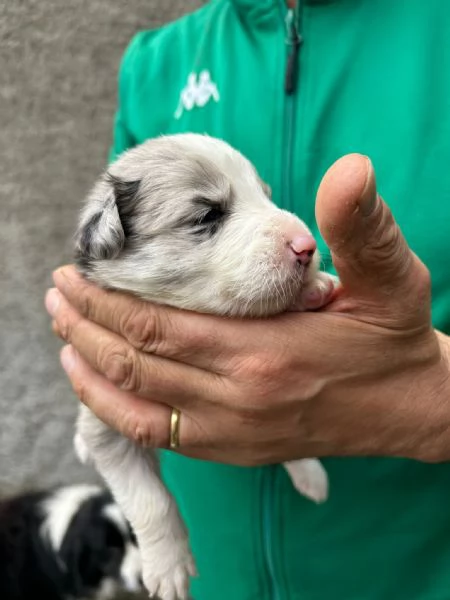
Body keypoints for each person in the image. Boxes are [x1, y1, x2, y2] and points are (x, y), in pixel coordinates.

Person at [45, 1, 450, 598]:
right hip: (215, 572)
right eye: (209, 214)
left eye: (262, 196)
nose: (297, 236)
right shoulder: (155, 65)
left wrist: (431, 403)